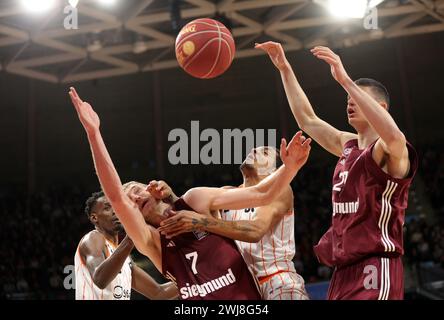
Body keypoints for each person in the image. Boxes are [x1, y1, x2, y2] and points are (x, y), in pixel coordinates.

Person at [69, 87, 310, 299]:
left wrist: (289, 169)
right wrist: (94, 134)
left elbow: (261, 195)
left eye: (136, 190)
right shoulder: (150, 241)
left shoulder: (195, 199)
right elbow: (114, 196)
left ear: (153, 188)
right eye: (128, 201)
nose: (133, 198)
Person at [255, 42, 418, 300]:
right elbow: (307, 120)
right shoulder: (348, 144)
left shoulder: (391, 152)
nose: (349, 103)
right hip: (343, 269)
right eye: (347, 100)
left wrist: (345, 80)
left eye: (356, 99)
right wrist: (285, 69)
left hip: (375, 264)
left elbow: (395, 137)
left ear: (381, 108)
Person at [156, 146, 308, 300]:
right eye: (255, 148)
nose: (254, 150)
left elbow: (255, 230)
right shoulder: (226, 193)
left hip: (278, 281)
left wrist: (202, 221)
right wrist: (172, 198)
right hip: (241, 287)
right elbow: (191, 211)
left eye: (265, 152)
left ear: (275, 171)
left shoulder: (279, 189)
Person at [75, 191, 178, 300]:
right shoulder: (94, 238)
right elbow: (100, 279)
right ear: (94, 218)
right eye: (107, 208)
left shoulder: (124, 259)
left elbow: (159, 293)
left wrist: (192, 277)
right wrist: (132, 235)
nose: (115, 211)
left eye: (116, 207)